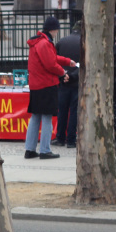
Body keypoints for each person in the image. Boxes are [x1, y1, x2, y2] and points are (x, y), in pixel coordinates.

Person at [24, 16, 74, 160]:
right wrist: (63, 72)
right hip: (46, 85)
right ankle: (45, 150)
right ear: (54, 29)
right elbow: (50, 64)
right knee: (46, 117)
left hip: (36, 85)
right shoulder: (45, 43)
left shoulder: (38, 42)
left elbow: (52, 58)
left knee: (35, 116)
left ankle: (30, 149)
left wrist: (67, 61)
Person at [53, 26, 81, 148]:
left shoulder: (61, 42)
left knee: (62, 111)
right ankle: (71, 140)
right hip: (77, 82)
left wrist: (63, 76)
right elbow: (85, 64)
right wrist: (73, 76)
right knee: (74, 112)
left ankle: (60, 138)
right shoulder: (84, 42)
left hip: (63, 82)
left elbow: (54, 62)